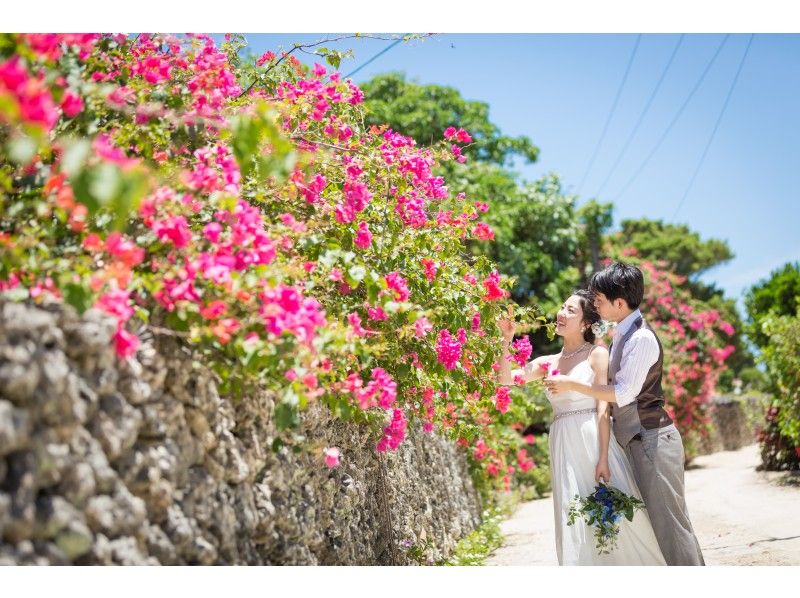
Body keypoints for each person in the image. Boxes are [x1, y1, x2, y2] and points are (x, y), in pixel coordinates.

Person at [546, 262, 705, 566]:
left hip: (652, 440)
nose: (595, 304)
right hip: (635, 442)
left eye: (600, 299)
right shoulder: (622, 333)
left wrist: (572, 385)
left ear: (619, 303)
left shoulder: (640, 338)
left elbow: (622, 393)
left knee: (671, 529)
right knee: (655, 529)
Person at [498, 289, 666, 565]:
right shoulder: (547, 362)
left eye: (570, 310)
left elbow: (603, 406)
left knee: (614, 514)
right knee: (571, 511)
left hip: (592, 437)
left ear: (587, 322)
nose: (561, 314)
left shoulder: (597, 355)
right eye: (562, 307)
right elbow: (506, 380)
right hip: (563, 440)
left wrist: (603, 457)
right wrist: (506, 340)